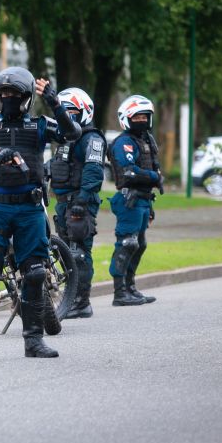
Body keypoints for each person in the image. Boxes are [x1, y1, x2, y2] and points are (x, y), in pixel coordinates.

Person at [0, 67, 81, 362]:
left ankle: (34, 341)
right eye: (3, 94)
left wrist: (55, 102)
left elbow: (71, 134)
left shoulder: (39, 126)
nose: (8, 98)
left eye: (14, 94)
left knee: (36, 274)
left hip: (29, 208)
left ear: (26, 98)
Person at [49, 88, 107, 319]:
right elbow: (55, 166)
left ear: (85, 112)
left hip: (79, 203)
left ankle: (81, 302)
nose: (67, 116)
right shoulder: (65, 139)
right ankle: (72, 298)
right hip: (63, 203)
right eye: (64, 112)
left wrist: (82, 202)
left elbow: (93, 171)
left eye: (72, 111)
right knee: (65, 252)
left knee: (79, 252)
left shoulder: (91, 139)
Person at [107, 95, 163, 306]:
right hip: (128, 200)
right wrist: (154, 178)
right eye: (136, 116)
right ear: (126, 118)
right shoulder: (124, 142)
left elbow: (150, 167)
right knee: (127, 243)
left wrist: (149, 204)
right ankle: (119, 292)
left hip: (143, 200)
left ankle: (130, 287)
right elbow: (129, 172)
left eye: (144, 116)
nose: (141, 120)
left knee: (140, 244)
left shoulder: (147, 140)